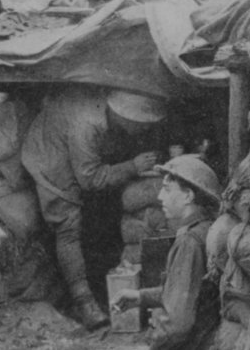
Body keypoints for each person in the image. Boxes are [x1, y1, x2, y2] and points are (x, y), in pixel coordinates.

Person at [21, 86, 166, 331]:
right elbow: (90, 179)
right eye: (142, 124)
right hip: (50, 159)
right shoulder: (86, 126)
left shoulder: (106, 112)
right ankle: (83, 302)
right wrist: (132, 166)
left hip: (71, 146)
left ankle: (101, 282)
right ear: (125, 117)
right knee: (68, 225)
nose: (145, 129)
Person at [103, 155, 222, 350]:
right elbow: (188, 291)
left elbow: (178, 324)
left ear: (188, 196)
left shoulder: (189, 242)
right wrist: (140, 296)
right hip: (201, 349)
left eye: (167, 190)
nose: (160, 197)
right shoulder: (207, 229)